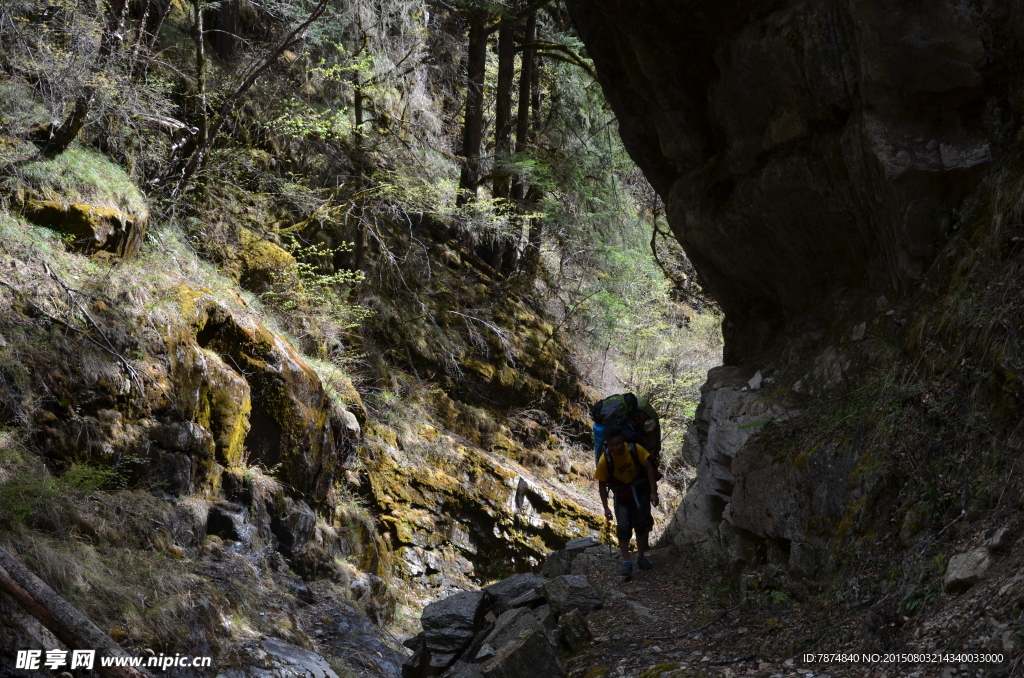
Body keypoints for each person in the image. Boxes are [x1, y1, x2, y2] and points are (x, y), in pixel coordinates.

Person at [595, 428, 660, 581]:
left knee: (641, 523)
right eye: (612, 445)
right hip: (621, 494)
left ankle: (641, 556)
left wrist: (654, 492)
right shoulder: (605, 459)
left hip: (640, 490)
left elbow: (649, 469)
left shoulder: (635, 449)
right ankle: (626, 561)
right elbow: (602, 484)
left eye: (618, 443)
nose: (616, 447)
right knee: (623, 527)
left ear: (623, 441)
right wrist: (605, 507)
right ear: (608, 445)